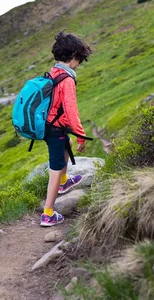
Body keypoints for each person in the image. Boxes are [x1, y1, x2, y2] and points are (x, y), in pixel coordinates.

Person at [41, 30, 93, 227]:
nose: (79, 63)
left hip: (48, 125)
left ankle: (64, 181)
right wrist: (81, 136)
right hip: (55, 129)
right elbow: (72, 111)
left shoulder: (54, 72)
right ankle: (47, 213)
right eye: (80, 59)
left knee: (67, 143)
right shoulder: (68, 79)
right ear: (73, 56)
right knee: (54, 167)